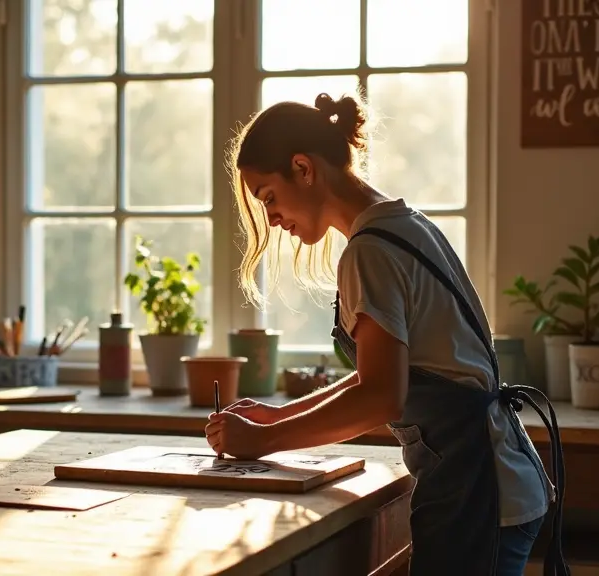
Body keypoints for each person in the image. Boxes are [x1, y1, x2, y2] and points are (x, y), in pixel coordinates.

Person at [205, 92, 569, 576]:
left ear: (303, 168)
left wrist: (263, 443)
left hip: (478, 490)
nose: (271, 218)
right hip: (493, 476)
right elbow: (384, 375)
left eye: (269, 196)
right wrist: (278, 415)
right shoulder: (403, 223)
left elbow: (381, 397)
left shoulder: (368, 251)